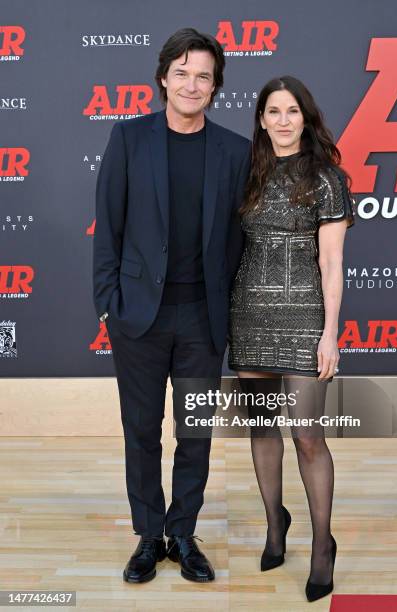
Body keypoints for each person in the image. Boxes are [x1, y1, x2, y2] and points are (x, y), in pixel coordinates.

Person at [93, 28, 250, 584]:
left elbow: (239, 239)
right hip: (138, 314)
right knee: (140, 427)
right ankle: (148, 535)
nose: (192, 84)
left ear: (215, 87)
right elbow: (107, 227)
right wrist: (107, 303)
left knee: (195, 429)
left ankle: (183, 533)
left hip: (202, 317)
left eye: (203, 75)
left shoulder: (235, 150)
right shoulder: (130, 138)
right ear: (163, 78)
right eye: (181, 72)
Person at [228, 75, 355, 602]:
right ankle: (275, 526)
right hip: (249, 314)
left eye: (292, 111)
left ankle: (322, 544)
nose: (283, 120)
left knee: (307, 436)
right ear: (261, 119)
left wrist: (330, 334)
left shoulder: (326, 177)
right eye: (273, 111)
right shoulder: (247, 173)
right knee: (261, 430)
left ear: (306, 117)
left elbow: (331, 263)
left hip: (304, 318)